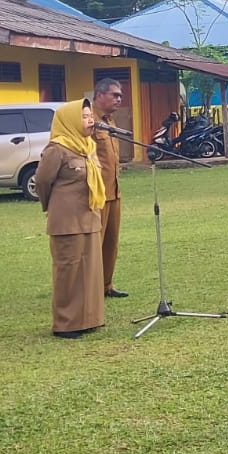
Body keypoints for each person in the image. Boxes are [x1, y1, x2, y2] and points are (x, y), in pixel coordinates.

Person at [36, 98, 106, 339]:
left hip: (90, 216)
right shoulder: (57, 149)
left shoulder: (88, 145)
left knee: (91, 270)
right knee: (70, 271)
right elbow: (42, 182)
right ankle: (67, 324)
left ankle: (90, 318)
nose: (90, 120)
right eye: (84, 117)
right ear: (70, 121)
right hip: (67, 221)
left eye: (90, 116)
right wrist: (54, 206)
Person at [91, 77, 128, 299]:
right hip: (97, 193)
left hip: (113, 190)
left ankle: (107, 284)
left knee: (111, 242)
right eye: (115, 95)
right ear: (100, 95)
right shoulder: (88, 120)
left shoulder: (110, 121)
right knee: (94, 242)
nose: (119, 99)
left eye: (120, 95)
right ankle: (92, 286)